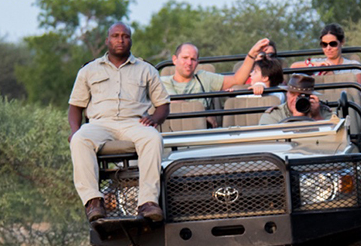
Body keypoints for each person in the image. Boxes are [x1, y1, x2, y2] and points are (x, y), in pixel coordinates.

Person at [68, 22, 170, 223]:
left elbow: (163, 105)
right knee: (79, 139)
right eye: (115, 36)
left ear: (130, 40)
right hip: (100, 123)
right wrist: (74, 130)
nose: (120, 40)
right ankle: (93, 201)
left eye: (125, 36)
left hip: (134, 122)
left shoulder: (146, 69)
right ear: (107, 40)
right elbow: (75, 107)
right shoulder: (89, 70)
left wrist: (155, 118)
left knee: (153, 138)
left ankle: (148, 203)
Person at [161, 38, 272, 105]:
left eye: (193, 59)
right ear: (175, 59)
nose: (189, 63)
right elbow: (174, 105)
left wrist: (252, 54)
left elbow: (237, 80)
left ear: (197, 62)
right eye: (185, 58)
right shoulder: (162, 82)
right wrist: (204, 114)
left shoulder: (204, 78)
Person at [290, 23, 361, 84]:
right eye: (324, 44)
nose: (328, 48)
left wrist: (333, 77)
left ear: (342, 42)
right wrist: (316, 65)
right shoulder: (318, 63)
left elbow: (359, 95)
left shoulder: (353, 66)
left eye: (333, 44)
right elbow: (293, 67)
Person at [258, 74, 333, 125]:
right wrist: (296, 118)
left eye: (301, 96)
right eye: (293, 94)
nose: (296, 99)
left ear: (311, 97)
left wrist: (317, 116)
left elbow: (333, 139)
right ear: (287, 94)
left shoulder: (323, 112)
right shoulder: (274, 115)